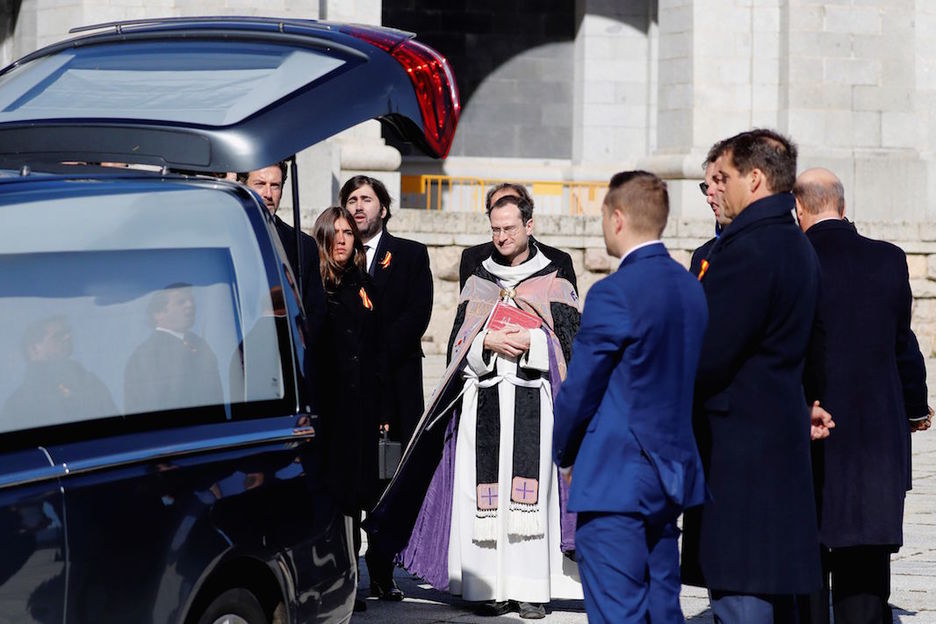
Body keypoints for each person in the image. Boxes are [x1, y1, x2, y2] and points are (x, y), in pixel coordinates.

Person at [368, 193, 583, 620]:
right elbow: (456, 347)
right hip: (483, 398)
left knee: (529, 498)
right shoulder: (479, 280)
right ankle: (485, 588)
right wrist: (485, 342)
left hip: (532, 404)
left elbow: (573, 347)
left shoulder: (553, 279)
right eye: (495, 229)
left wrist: (532, 342)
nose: (502, 237)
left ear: (529, 226)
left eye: (509, 228)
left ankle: (530, 590)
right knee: (483, 496)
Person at [681, 129, 827, 621]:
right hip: (771, 446)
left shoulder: (748, 250)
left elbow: (704, 355)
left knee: (742, 598)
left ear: (756, 179)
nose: (713, 190)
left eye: (722, 178)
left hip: (740, 459)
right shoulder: (789, 241)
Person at [553, 171, 708, 623]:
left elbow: (580, 389)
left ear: (617, 218)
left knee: (616, 611)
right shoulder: (691, 288)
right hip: (670, 474)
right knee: (662, 607)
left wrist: (564, 450)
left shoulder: (613, 293)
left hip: (616, 478)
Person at [793, 167, 932, 624]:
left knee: (807, 559)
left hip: (810, 426)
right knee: (866, 566)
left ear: (798, 209)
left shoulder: (792, 260)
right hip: (875, 434)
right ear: (844, 206)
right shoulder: (888, 259)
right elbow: (902, 343)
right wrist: (915, 405)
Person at [312, 205, 381, 613]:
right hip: (325, 411)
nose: (342, 239)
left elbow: (377, 350)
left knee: (353, 503)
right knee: (327, 499)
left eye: (349, 233)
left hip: (358, 412)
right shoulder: (314, 287)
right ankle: (325, 581)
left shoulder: (362, 284)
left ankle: (350, 581)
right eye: (334, 232)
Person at [239, 162, 327, 325]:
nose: (268, 194)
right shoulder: (224, 237)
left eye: (275, 186)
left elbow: (315, 313)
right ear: (243, 186)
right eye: (260, 184)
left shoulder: (303, 246)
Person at [124, 283, 223, 414]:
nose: (190, 305)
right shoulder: (146, 355)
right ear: (158, 314)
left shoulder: (199, 344)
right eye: (181, 302)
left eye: (191, 300)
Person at [2, 316, 117, 428]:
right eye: (57, 337)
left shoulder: (90, 383)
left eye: (68, 334)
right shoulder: (17, 404)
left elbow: (118, 431)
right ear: (34, 348)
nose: (67, 338)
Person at [458, 182, 577, 291]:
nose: (504, 209)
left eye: (511, 203)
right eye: (498, 205)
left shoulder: (557, 260)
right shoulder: (473, 258)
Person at [690, 146, 732, 277]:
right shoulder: (702, 255)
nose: (709, 198)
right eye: (706, 187)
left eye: (719, 182)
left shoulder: (768, 249)